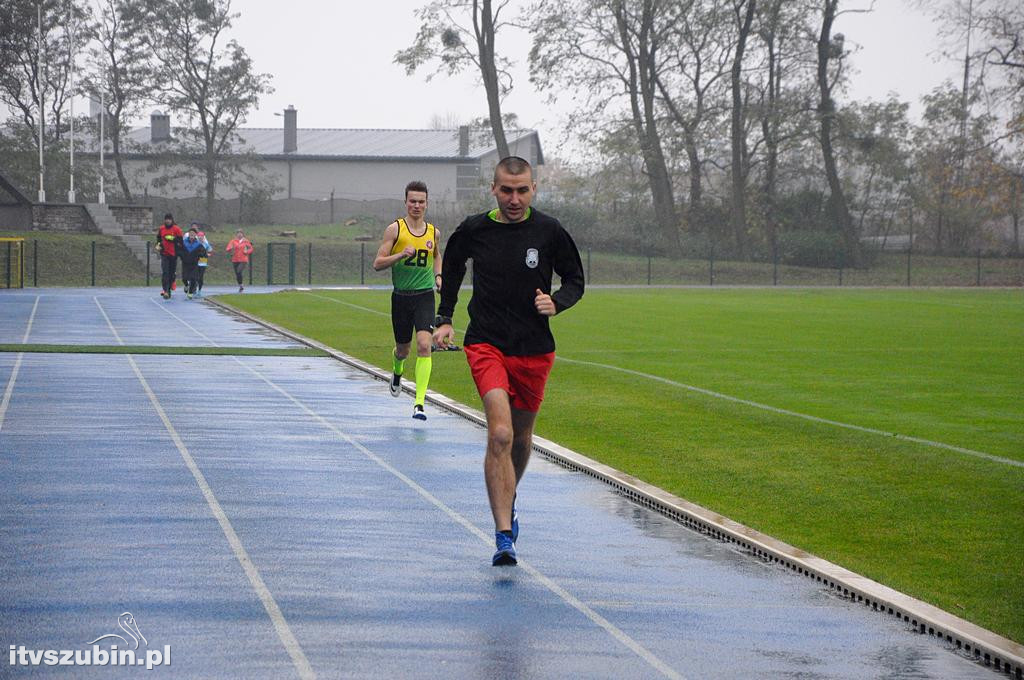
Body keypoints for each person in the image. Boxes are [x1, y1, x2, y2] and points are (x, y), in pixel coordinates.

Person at [433, 157, 584, 566]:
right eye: (506, 190)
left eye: (522, 190)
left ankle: (510, 493)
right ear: (493, 190)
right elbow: (452, 263)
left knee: (520, 438)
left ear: (533, 189)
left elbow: (575, 280)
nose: (514, 198)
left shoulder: (549, 230)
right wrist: (445, 317)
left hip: (534, 348)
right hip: (487, 343)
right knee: (499, 433)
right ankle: (503, 536)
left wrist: (557, 302)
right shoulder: (474, 229)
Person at [372, 180, 442, 420]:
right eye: (412, 201)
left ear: (427, 204)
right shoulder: (395, 230)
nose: (417, 205)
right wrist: (400, 254)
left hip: (424, 296)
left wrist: (439, 276)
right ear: (405, 202)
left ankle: (419, 403)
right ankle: (397, 370)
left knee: (425, 345)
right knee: (403, 350)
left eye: (421, 201)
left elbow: (437, 256)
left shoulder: (434, 232)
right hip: (401, 297)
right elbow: (377, 263)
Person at [155, 213, 183, 300]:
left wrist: (173, 239)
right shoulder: (161, 228)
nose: (167, 220)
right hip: (164, 254)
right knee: (165, 272)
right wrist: (158, 245)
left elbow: (181, 242)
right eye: (166, 219)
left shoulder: (177, 229)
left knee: (171, 273)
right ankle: (166, 290)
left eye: (169, 219)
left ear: (172, 220)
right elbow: (158, 239)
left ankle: (170, 287)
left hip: (173, 254)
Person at [179, 226, 207, 300]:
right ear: (188, 234)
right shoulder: (183, 242)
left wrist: (201, 256)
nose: (192, 234)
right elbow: (179, 251)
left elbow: (204, 254)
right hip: (185, 263)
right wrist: (182, 256)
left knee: (193, 278)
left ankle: (190, 293)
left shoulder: (199, 244)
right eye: (190, 233)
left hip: (194, 264)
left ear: (195, 235)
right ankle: (186, 285)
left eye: (193, 233)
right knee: (184, 278)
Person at [195, 227, 212, 297]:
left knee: (200, 277)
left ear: (203, 237)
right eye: (199, 236)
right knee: (195, 276)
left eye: (201, 236)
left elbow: (210, 250)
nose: (200, 237)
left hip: (203, 261)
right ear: (197, 237)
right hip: (195, 261)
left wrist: (208, 254)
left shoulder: (206, 244)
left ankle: (199, 290)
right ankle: (194, 289)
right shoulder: (195, 243)